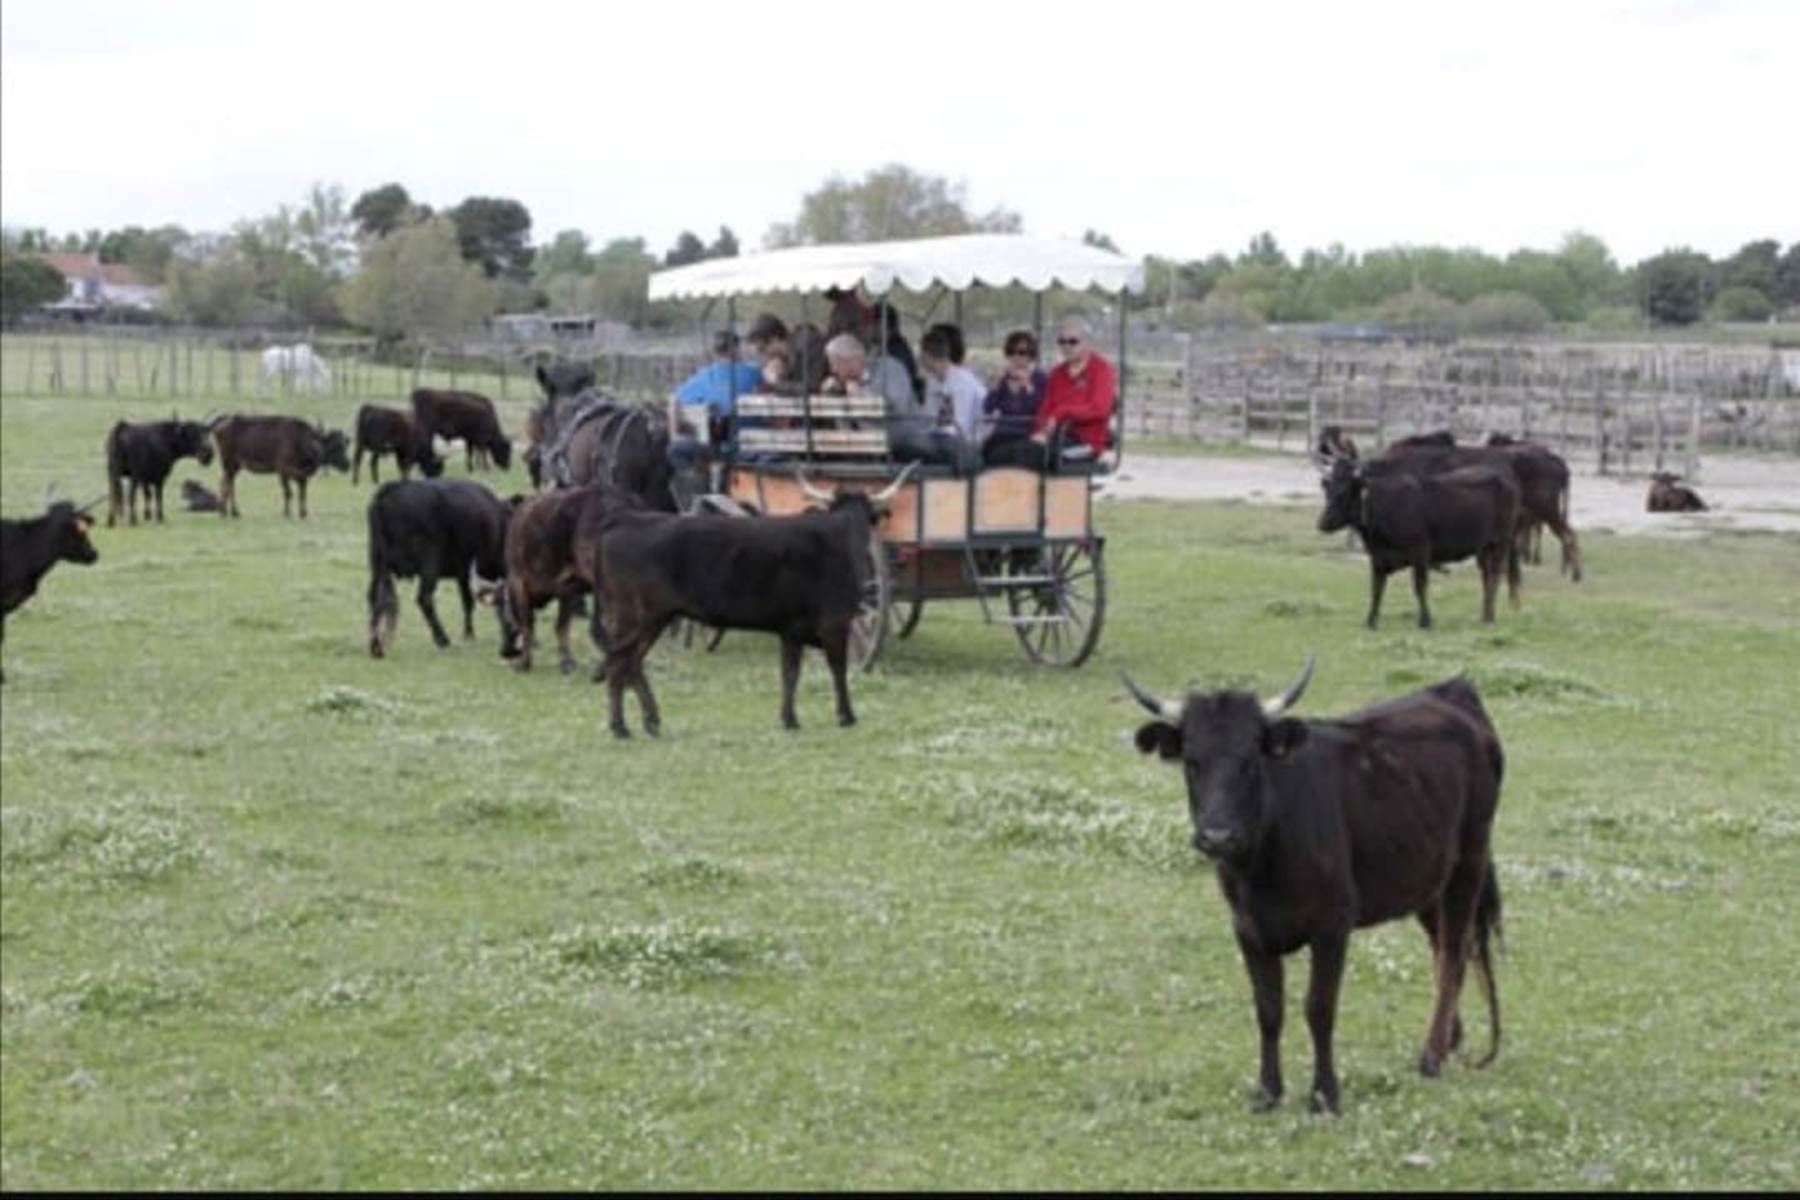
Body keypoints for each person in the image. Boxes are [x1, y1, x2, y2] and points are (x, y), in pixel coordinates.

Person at [823, 333, 972, 469]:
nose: (833, 370)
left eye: (834, 363)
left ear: (849, 362)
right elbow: (845, 430)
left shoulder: (889, 368)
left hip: (907, 438)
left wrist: (862, 397)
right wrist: (834, 398)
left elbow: (896, 407)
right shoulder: (844, 385)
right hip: (872, 449)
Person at [986, 316, 1116, 471]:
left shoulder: (1102, 370)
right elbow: (1045, 409)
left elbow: (1099, 409)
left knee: (1029, 453)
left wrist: (1062, 412)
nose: (1066, 346)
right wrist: (1039, 432)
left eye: (1072, 341)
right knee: (998, 452)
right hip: (1055, 439)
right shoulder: (1057, 373)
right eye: (1062, 341)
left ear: (1087, 343)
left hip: (1086, 445)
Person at [667, 330, 762, 481]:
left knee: (676, 450)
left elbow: (674, 401)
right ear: (735, 349)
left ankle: (698, 484)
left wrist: (675, 435)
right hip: (753, 447)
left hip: (717, 449)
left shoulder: (705, 376)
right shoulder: (753, 373)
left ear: (715, 352)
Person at [980, 329, 1047, 465]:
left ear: (1030, 355)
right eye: (1011, 352)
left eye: (1021, 353)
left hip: (1026, 434)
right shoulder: (1004, 379)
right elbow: (987, 409)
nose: (1016, 357)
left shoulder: (1040, 378)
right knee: (987, 451)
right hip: (1002, 434)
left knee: (1013, 454)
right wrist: (995, 386)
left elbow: (1041, 409)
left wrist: (1028, 387)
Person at [918, 325, 985, 447]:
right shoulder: (933, 381)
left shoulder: (962, 383)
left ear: (927, 356)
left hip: (970, 444)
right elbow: (928, 418)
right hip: (941, 440)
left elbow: (960, 426)